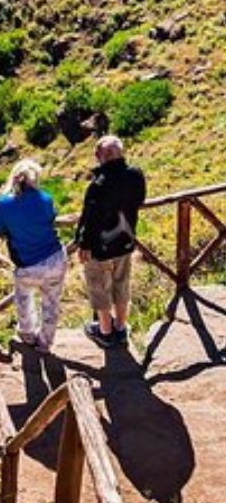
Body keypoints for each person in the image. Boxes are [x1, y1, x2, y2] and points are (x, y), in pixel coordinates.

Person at [76, 135, 146, 348]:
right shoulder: (135, 175)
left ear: (101, 156)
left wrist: (83, 244)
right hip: (125, 240)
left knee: (99, 288)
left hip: (100, 247)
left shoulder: (99, 184)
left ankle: (105, 333)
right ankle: (121, 328)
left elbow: (91, 218)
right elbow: (140, 200)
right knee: (121, 284)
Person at [0, 159, 67, 353]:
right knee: (51, 302)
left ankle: (28, 335)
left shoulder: (2, 203)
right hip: (55, 257)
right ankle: (45, 343)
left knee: (23, 298)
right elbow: (51, 219)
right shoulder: (46, 199)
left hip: (27, 263)